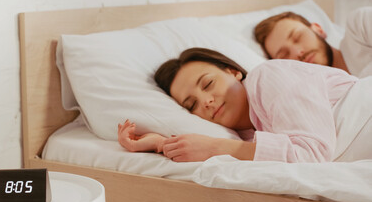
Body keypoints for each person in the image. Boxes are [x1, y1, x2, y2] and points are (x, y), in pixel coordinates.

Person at [117, 47, 358, 163]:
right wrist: (160, 143)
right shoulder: (244, 132)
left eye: (208, 84)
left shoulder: (268, 76)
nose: (206, 102)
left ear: (234, 72)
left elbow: (311, 156)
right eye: (191, 105)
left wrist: (216, 147)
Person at [254, 7, 372, 78]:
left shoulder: (359, 26)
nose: (298, 52)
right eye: (284, 55)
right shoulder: (323, 104)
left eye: (297, 37)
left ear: (318, 29)